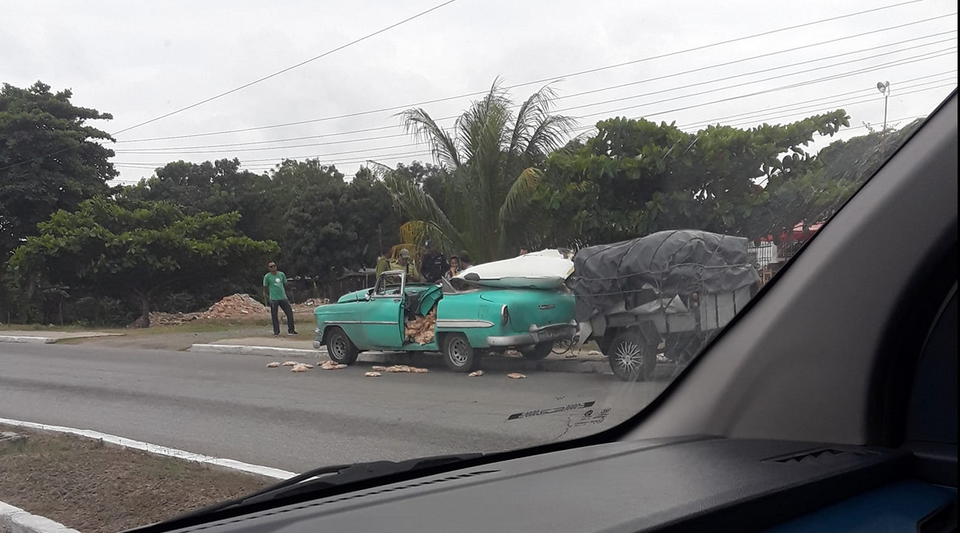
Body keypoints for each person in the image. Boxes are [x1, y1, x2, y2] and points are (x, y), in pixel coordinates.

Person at [263, 261, 297, 337]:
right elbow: (265, 287)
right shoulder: (267, 277)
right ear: (269, 268)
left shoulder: (281, 274)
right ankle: (276, 332)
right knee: (274, 316)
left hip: (283, 297)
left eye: (274, 266)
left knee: (289, 313)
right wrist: (269, 296)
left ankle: (291, 330)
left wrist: (288, 294)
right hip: (274, 298)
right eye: (271, 266)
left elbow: (285, 284)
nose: (273, 267)